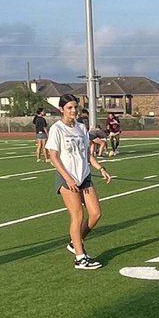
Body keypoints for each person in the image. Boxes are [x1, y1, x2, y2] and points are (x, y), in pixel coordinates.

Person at [46, 93, 112, 270]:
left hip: (84, 176)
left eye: (75, 107)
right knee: (77, 216)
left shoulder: (81, 128)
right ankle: (80, 258)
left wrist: (101, 168)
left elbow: (87, 154)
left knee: (96, 213)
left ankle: (75, 243)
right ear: (62, 109)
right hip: (68, 179)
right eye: (69, 107)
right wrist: (67, 178)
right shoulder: (57, 129)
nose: (73, 110)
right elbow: (53, 156)